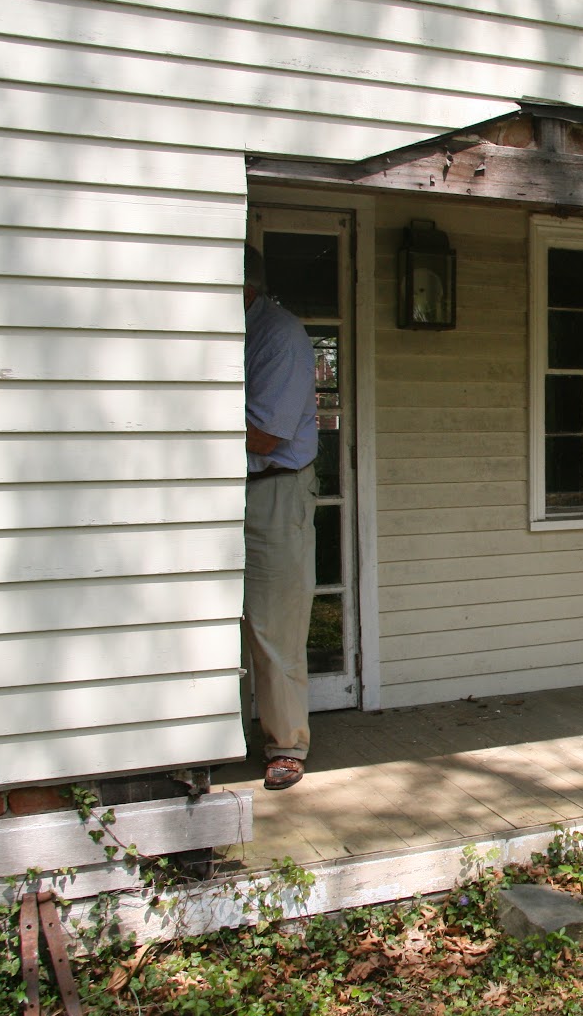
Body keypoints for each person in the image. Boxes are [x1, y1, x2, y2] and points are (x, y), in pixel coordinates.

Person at [242, 245, 318, 790]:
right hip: (225, 490)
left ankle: (286, 744)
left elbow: (266, 434)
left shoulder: (278, 336)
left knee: (275, 626)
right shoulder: (230, 333)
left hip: (273, 490)